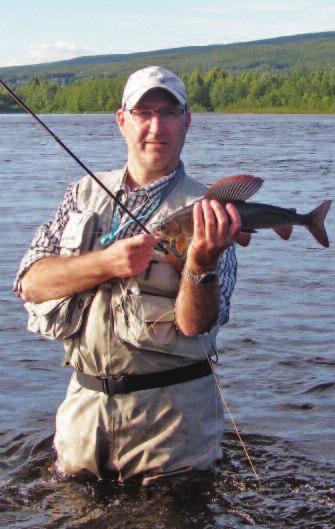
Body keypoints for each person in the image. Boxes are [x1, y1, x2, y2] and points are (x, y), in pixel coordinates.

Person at [14, 66, 241, 482]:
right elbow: (29, 283)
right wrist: (107, 263)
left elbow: (199, 324)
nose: (156, 126)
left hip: (173, 438)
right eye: (143, 112)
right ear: (122, 120)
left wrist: (201, 264)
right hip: (83, 425)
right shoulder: (81, 193)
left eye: (169, 113)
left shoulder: (209, 211)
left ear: (187, 121)